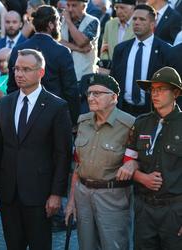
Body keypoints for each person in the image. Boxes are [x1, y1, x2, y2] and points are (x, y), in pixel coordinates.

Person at [0, 49, 72, 250]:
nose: (19, 74)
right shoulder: (6, 103)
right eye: (16, 68)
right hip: (9, 193)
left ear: (40, 73)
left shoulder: (56, 107)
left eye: (26, 69)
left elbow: (63, 154)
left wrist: (56, 194)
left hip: (40, 194)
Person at [65, 73, 136, 250]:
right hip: (83, 195)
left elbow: (139, 160)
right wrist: (72, 201)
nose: (91, 97)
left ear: (113, 97)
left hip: (112, 197)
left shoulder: (129, 125)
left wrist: (133, 164)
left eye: (97, 93)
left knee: (113, 245)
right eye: (89, 93)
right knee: (86, 245)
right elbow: (78, 165)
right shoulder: (83, 121)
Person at [125, 66, 182, 249]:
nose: (154, 94)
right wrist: (141, 177)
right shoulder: (141, 123)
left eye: (161, 89)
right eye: (152, 90)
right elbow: (129, 159)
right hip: (144, 209)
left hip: (175, 211)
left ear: (176, 92)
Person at [7, 5, 80, 126]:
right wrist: (74, 120)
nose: (60, 26)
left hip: (23, 114)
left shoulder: (17, 49)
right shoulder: (62, 51)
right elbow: (70, 90)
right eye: (58, 22)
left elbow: (12, 87)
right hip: (53, 116)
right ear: (51, 25)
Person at [111, 4, 171, 117]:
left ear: (153, 24)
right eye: (134, 19)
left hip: (152, 112)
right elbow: (114, 80)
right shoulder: (121, 49)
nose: (136, 22)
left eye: (142, 19)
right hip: (123, 110)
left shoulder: (165, 50)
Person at [60, 0, 100, 81]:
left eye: (74, 6)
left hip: (84, 76)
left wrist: (68, 21)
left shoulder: (93, 21)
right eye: (68, 5)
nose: (70, 9)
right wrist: (79, 49)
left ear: (84, 6)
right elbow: (56, 41)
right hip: (64, 74)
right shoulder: (61, 21)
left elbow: (81, 42)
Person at [99, 0, 135, 74]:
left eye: (122, 8)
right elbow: (105, 47)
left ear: (133, 8)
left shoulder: (138, 25)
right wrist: (106, 63)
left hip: (130, 70)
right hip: (110, 71)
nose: (118, 11)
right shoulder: (109, 24)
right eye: (116, 8)